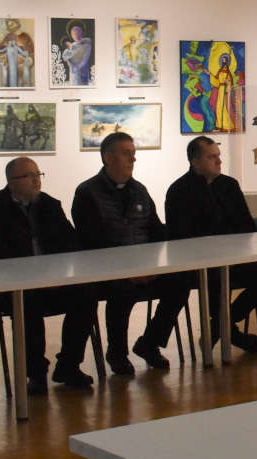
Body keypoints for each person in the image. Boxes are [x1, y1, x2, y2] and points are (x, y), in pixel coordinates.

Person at [0, 157, 95, 394]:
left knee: (86, 294)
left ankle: (69, 365)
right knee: (28, 305)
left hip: (53, 280)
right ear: (11, 182)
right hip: (16, 286)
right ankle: (36, 373)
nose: (36, 180)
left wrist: (59, 274)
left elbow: (71, 242)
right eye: (29, 176)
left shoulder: (50, 205)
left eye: (38, 174)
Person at [72, 132, 189, 375]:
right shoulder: (87, 193)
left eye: (133, 154)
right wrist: (128, 270)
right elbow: (92, 242)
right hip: (108, 271)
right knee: (121, 291)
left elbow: (156, 232)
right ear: (107, 157)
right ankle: (117, 353)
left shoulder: (139, 190)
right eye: (126, 154)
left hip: (145, 267)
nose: (132, 159)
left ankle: (150, 342)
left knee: (180, 282)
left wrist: (156, 266)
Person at [164, 136, 257, 353]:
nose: (219, 161)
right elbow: (180, 237)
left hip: (233, 258)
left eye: (218, 156)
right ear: (195, 161)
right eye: (212, 157)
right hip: (198, 264)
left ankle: (219, 327)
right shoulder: (178, 191)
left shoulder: (229, 185)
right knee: (215, 279)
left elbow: (245, 226)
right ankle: (228, 331)